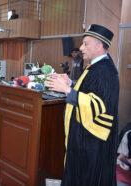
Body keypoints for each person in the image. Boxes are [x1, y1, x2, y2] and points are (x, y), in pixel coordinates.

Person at [45, 24, 119, 185]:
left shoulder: (106, 71)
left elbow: (99, 107)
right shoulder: (95, 66)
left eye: (86, 44)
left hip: (92, 143)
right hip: (83, 138)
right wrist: (70, 83)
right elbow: (89, 90)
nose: (80, 48)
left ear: (99, 46)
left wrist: (65, 90)